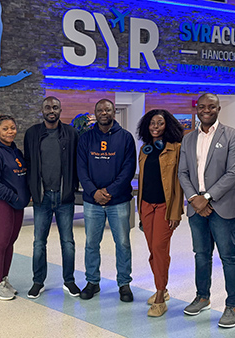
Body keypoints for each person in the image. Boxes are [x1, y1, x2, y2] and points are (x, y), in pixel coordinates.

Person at [178, 93, 235, 328]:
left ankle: (233, 305)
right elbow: (182, 173)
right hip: (197, 208)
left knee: (229, 257)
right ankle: (202, 297)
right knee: (201, 255)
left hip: (222, 207)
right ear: (197, 109)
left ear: (219, 109)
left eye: (212, 107)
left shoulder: (232, 135)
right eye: (202, 107)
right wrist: (194, 199)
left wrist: (206, 198)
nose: (207, 110)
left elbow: (234, 173)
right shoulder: (188, 139)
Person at [77, 98, 137, 302]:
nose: (104, 112)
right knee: (92, 243)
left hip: (118, 200)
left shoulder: (126, 138)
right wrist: (94, 192)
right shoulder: (85, 138)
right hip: (92, 202)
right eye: (100, 110)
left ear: (114, 112)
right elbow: (81, 169)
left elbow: (128, 169)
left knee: (122, 243)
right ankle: (92, 282)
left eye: (108, 109)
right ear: (95, 113)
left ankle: (124, 283)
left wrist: (109, 191)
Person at [23, 97, 81, 298]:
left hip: (64, 197)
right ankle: (38, 282)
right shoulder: (32, 134)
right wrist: (30, 191)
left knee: (68, 242)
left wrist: (75, 188)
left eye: (55, 107)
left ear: (60, 109)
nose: (51, 110)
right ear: (42, 110)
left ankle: (69, 281)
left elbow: (77, 163)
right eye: (48, 107)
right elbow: (27, 164)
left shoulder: (72, 133)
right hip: (42, 197)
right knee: (39, 242)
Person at [136, 109, 184, 317]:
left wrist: (176, 212)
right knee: (153, 250)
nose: (155, 127)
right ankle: (162, 289)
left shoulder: (176, 149)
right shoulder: (145, 150)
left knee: (159, 248)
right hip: (146, 205)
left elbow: (179, 183)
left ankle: (159, 294)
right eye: (152, 123)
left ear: (168, 126)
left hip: (165, 207)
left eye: (160, 123)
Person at [0, 115, 30, 301]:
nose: (10, 131)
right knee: (1, 242)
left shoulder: (15, 151)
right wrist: (13, 197)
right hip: (0, 203)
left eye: (13, 127)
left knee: (10, 241)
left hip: (17, 204)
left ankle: (4, 279)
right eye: (5, 129)